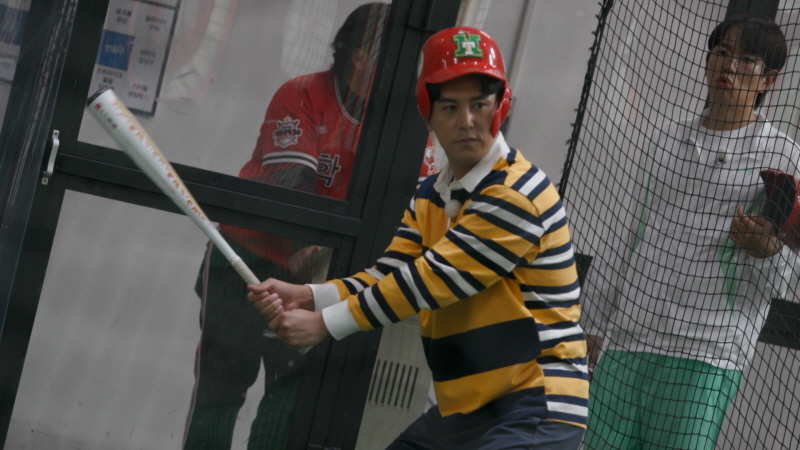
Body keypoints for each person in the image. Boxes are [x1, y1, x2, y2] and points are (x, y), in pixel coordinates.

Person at [248, 27, 589, 449]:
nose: (467, 121)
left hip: (535, 409)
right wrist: (311, 296)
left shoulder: (517, 194)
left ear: (500, 107)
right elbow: (389, 275)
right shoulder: (431, 194)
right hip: (465, 411)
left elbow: (428, 281)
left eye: (479, 104)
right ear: (427, 115)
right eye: (449, 107)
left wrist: (324, 324)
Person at [183, 4, 397, 449]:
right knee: (219, 393)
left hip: (319, 280)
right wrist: (308, 243)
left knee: (291, 402)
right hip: (246, 263)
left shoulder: (401, 124)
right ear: (362, 57)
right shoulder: (302, 94)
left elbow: (406, 204)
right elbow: (290, 181)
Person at [581, 14, 799, 450]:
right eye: (722, 53)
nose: (729, 66)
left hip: (708, 354)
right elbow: (624, 234)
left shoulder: (784, 157)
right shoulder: (665, 140)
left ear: (769, 80)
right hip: (628, 339)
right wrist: (591, 322)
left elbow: (782, 278)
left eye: (746, 60)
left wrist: (766, 250)